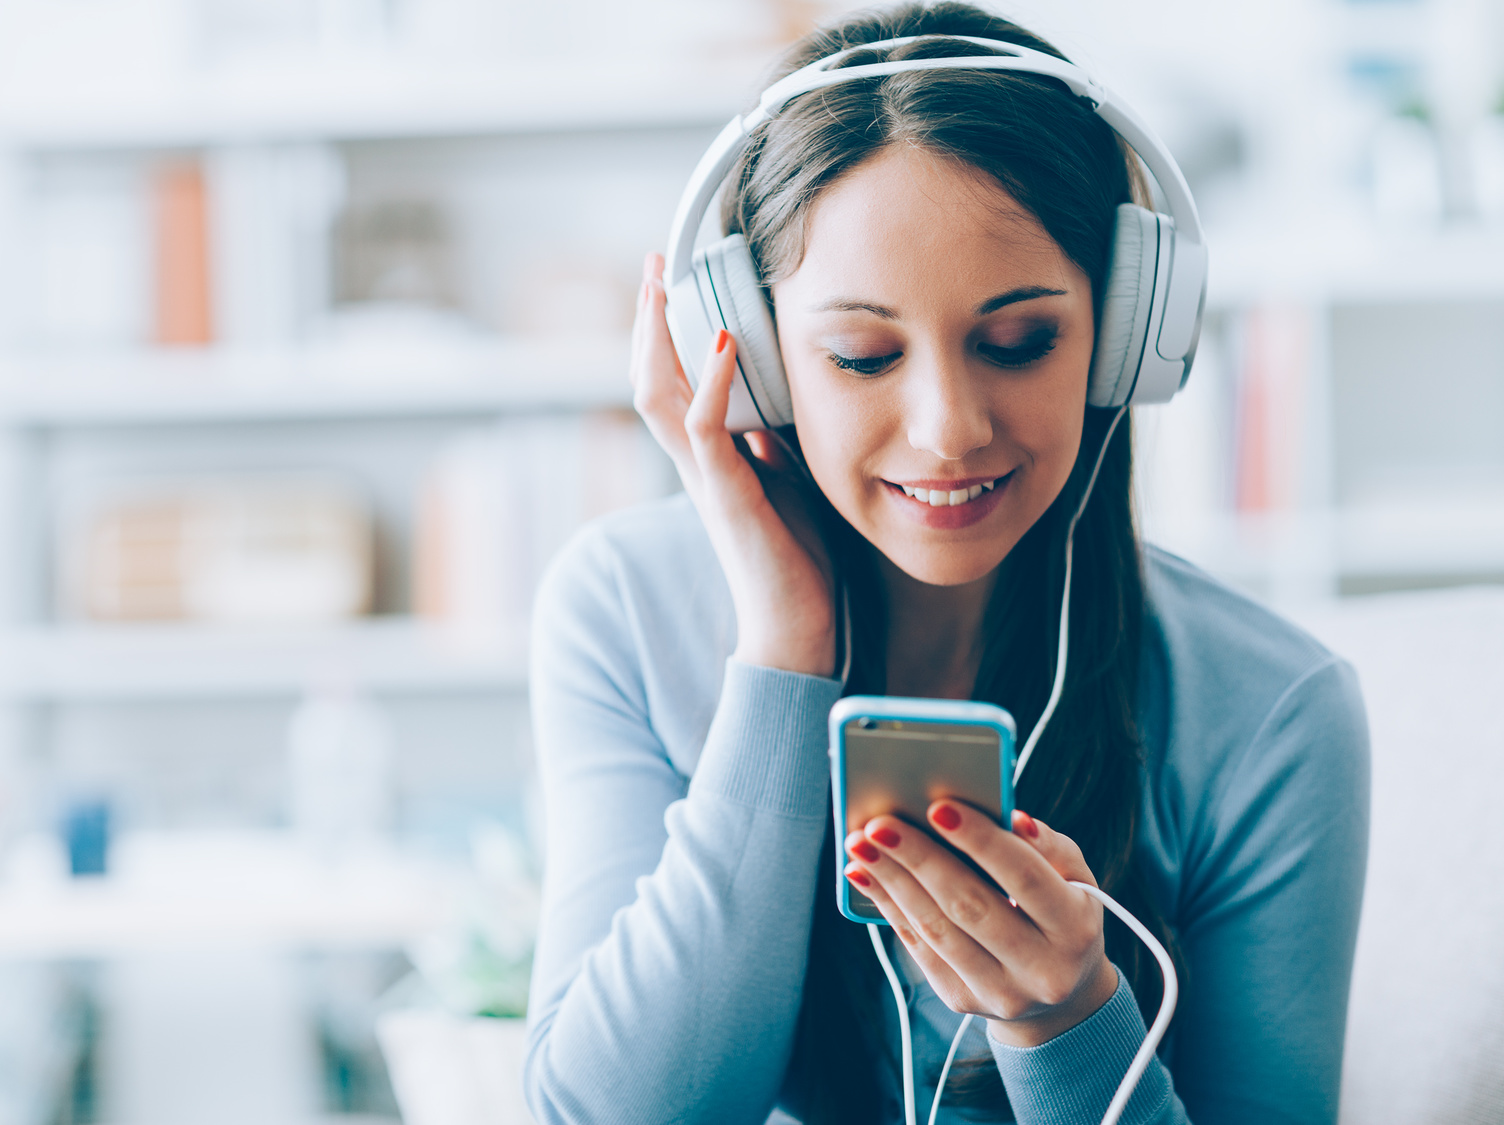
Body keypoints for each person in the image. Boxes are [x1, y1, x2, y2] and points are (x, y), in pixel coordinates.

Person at [522, 4, 1370, 1123]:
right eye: (861, 355)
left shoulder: (1269, 712)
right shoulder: (621, 609)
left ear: (1126, 330)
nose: (948, 430)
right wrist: (782, 659)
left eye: (1017, 343)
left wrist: (1065, 1024)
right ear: (760, 359)